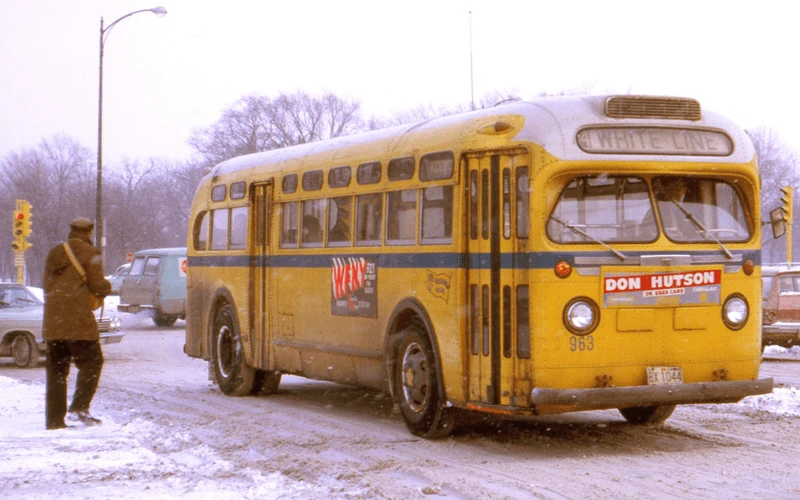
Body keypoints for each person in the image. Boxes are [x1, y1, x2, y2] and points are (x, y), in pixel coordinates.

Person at [43, 217, 111, 429]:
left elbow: (46, 285)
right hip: (78, 322)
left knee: (56, 370)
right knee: (93, 362)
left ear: (71, 231)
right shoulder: (91, 253)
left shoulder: (54, 253)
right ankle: (79, 407)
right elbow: (98, 285)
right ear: (89, 233)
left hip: (54, 322)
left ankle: (54, 420)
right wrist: (106, 289)